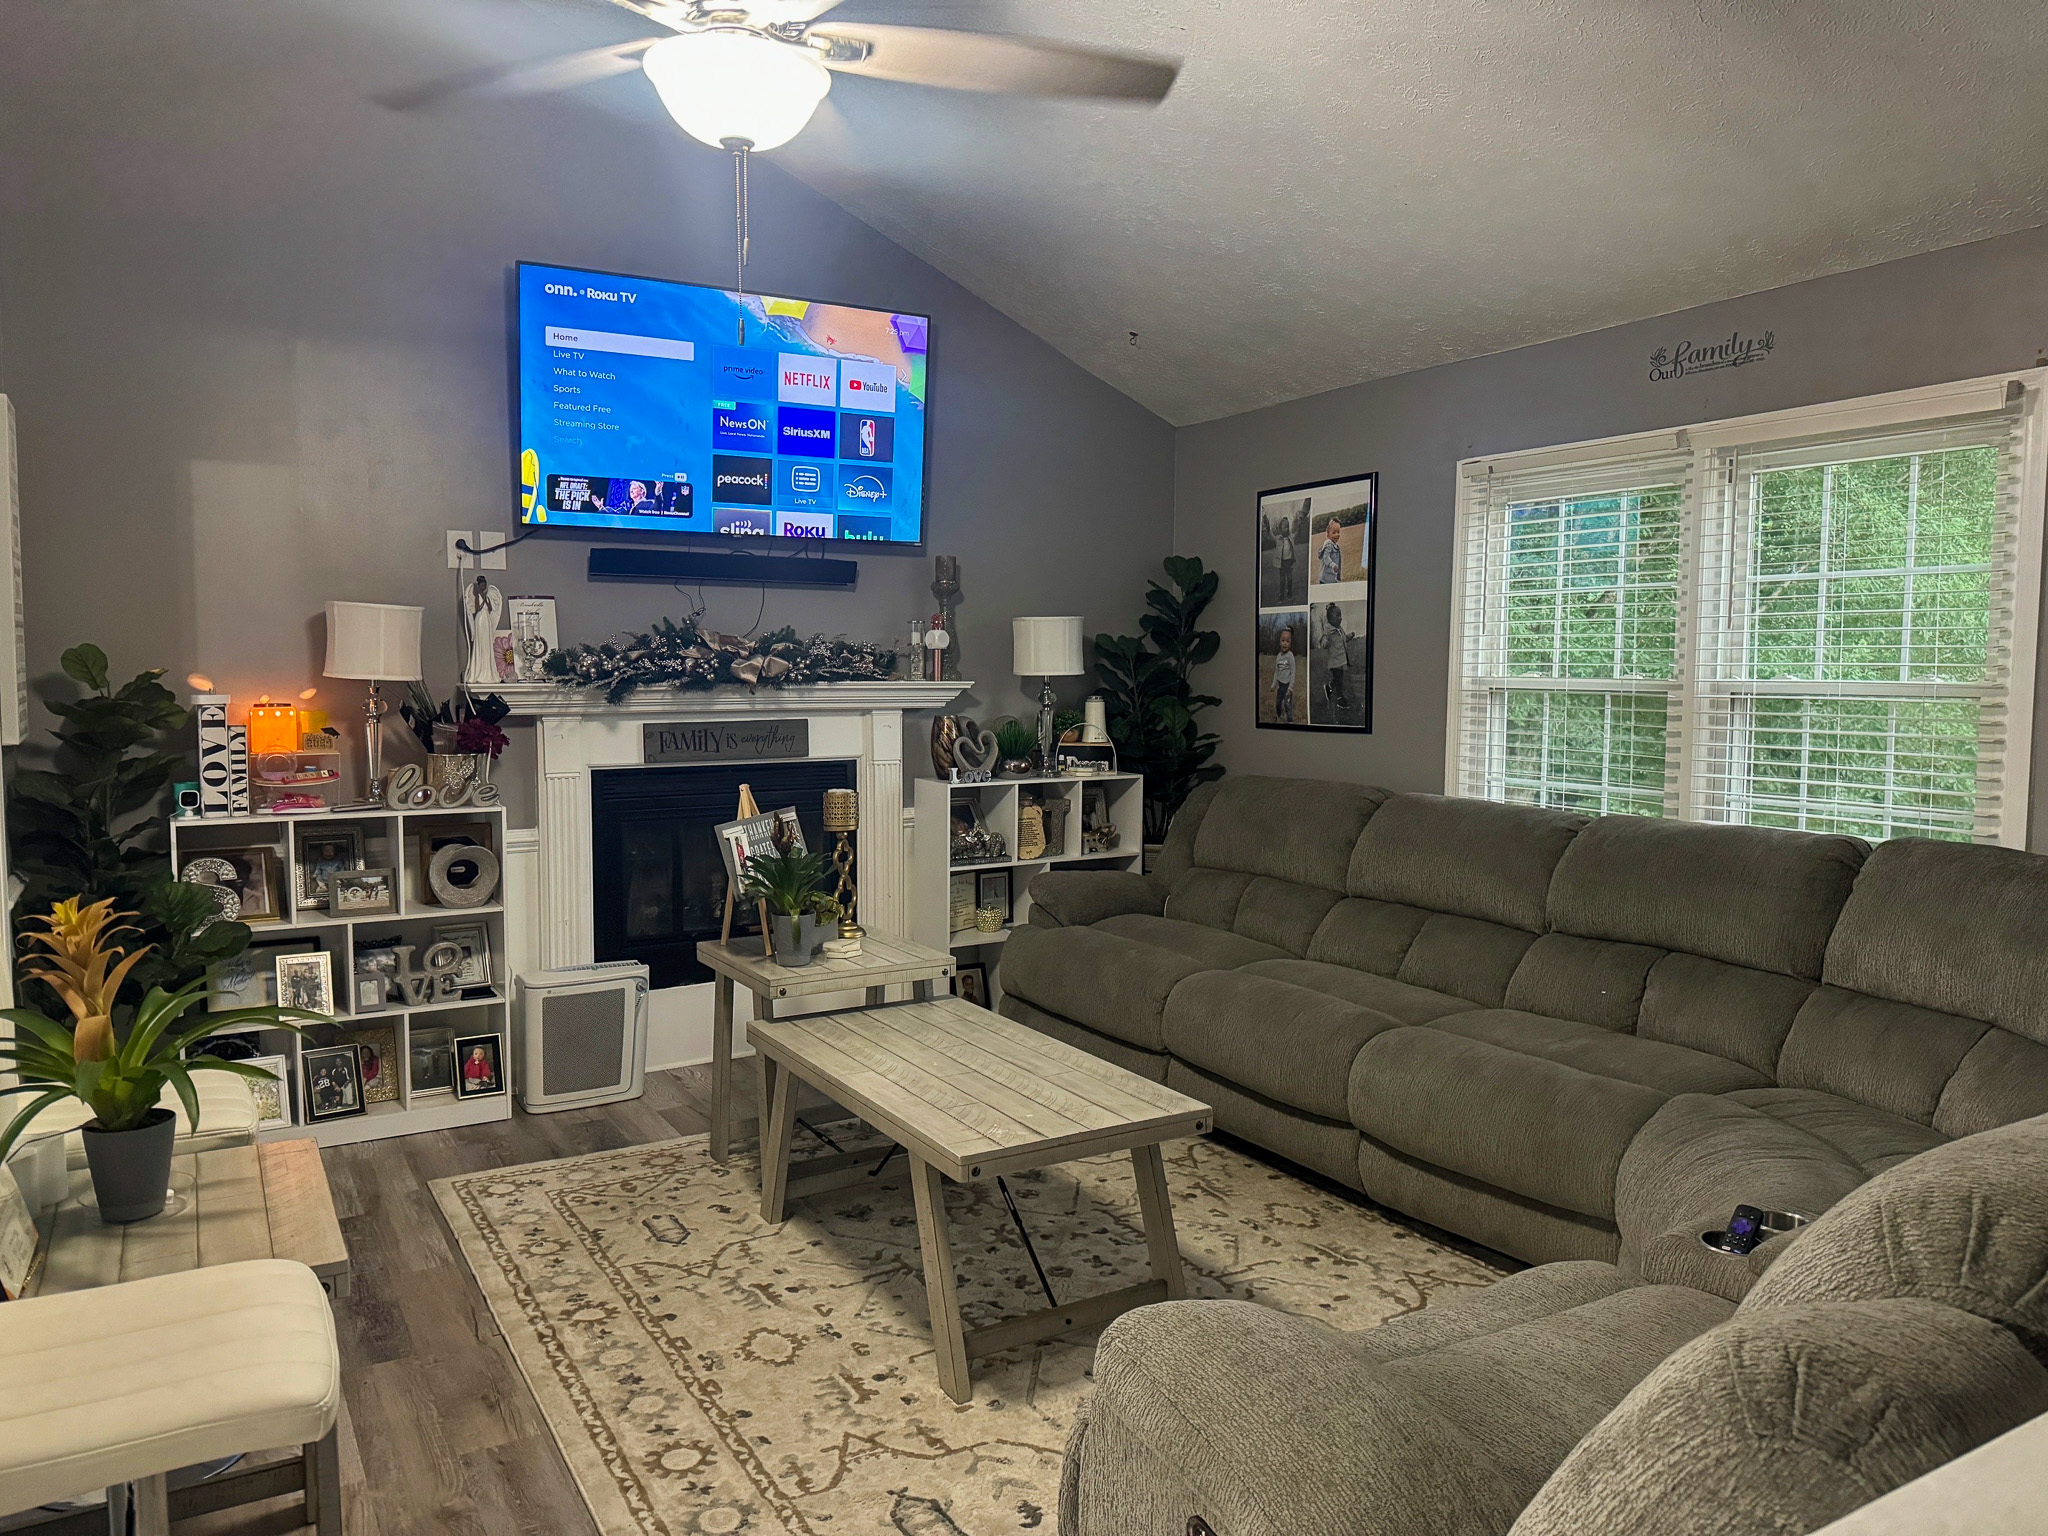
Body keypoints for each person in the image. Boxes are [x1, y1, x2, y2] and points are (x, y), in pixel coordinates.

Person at [1319, 604, 1351, 710]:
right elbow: (1324, 643)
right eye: (1337, 616)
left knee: (1338, 679)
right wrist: (1326, 642)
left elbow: (1343, 639)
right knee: (1339, 681)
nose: (1340, 618)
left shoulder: (1339, 628)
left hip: (1341, 660)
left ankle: (1329, 687)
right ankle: (1340, 700)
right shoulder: (1328, 631)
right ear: (1330, 619)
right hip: (1334, 661)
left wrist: (1350, 636)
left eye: (1340, 615)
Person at [1272, 625, 1297, 722]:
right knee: (1278, 703)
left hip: (1287, 687)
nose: (1285, 643)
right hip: (1280, 687)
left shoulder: (1290, 656)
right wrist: (1273, 685)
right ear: (1279, 642)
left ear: (1290, 643)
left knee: (1287, 705)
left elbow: (1293, 672)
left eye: (1287, 641)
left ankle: (1289, 720)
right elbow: (1276, 672)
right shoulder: (1278, 656)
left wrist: (1290, 688)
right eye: (1283, 641)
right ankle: (1279, 717)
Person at [1275, 514, 1297, 603]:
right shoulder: (1278, 539)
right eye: (1284, 527)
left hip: (1289, 562)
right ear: (1280, 529)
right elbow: (1269, 533)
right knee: (1282, 580)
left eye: (1288, 527)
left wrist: (1298, 523)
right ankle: (1281, 595)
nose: (1287, 529)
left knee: (1290, 579)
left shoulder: (1290, 538)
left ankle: (1289, 593)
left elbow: (1296, 532)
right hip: (1282, 563)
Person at [1318, 518, 1344, 585]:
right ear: (1328, 534)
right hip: (1326, 579)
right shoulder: (1329, 544)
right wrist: (1333, 565)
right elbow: (1326, 557)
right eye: (1334, 532)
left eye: (1338, 532)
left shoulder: (1336, 546)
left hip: (1332, 578)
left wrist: (1338, 576)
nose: (1337, 535)